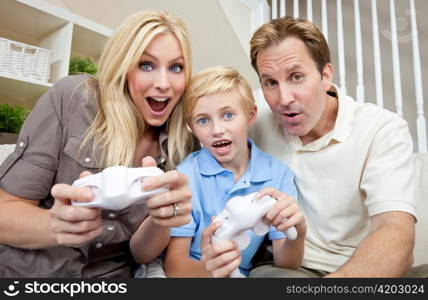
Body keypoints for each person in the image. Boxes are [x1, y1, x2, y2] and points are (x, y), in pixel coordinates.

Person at [0, 10, 196, 277]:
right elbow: (5, 213)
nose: (164, 84)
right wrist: (55, 226)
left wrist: (162, 220)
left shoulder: (181, 143)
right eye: (146, 65)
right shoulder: (73, 99)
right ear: (123, 66)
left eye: (176, 68)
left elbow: (141, 254)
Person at [242, 16, 420, 277]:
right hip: (289, 267)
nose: (283, 99)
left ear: (325, 75)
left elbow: (394, 231)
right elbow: (198, 117)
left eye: (296, 77)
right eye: (270, 82)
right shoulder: (254, 115)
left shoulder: (382, 129)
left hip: (364, 269)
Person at [160, 66, 306, 277]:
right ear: (191, 127)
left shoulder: (278, 174)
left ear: (250, 115)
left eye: (228, 115)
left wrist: (298, 233)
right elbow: (175, 267)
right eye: (203, 120)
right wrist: (214, 271)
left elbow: (286, 262)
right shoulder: (186, 177)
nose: (217, 130)